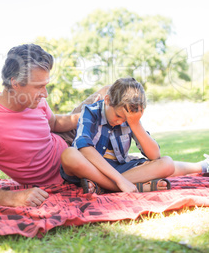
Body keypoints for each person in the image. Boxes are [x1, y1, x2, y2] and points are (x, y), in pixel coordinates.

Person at [0, 43, 108, 207]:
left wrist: (84, 117)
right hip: (66, 169)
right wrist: (9, 198)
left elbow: (54, 123)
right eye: (39, 87)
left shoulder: (35, 101)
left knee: (111, 93)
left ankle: (133, 151)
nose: (45, 94)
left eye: (45, 85)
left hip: (66, 140)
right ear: (15, 83)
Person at [60, 77, 209, 194]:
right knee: (69, 155)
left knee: (167, 163)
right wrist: (120, 180)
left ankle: (103, 187)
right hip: (91, 169)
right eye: (118, 116)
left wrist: (135, 124)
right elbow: (84, 148)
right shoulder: (91, 111)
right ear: (107, 100)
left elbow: (154, 155)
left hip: (119, 170)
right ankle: (123, 185)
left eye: (125, 120)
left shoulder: (130, 118)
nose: (120, 122)